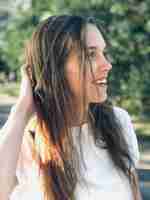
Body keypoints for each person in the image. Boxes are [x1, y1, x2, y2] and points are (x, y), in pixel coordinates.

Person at [0, 15, 142, 200]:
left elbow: (134, 193)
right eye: (90, 54)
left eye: (103, 53)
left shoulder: (119, 122)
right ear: (55, 68)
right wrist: (20, 112)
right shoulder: (22, 137)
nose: (107, 65)